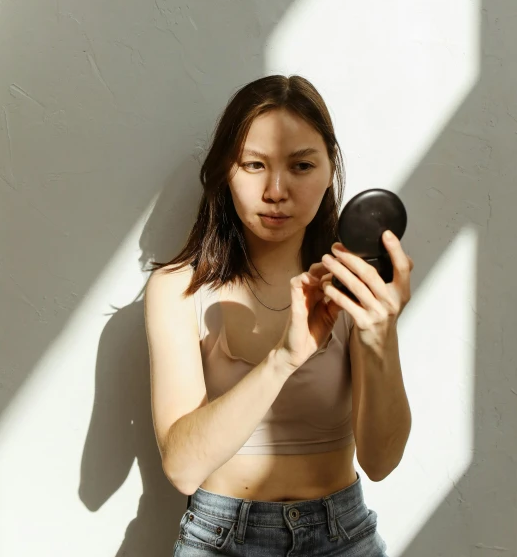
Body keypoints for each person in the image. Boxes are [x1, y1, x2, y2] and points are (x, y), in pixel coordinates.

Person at [144, 74, 414, 556]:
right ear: (226, 171)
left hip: (344, 536)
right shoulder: (178, 290)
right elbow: (183, 468)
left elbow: (381, 460)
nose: (275, 190)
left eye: (301, 165)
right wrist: (284, 358)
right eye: (254, 165)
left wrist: (380, 335)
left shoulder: (352, 289)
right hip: (220, 540)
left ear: (330, 170)